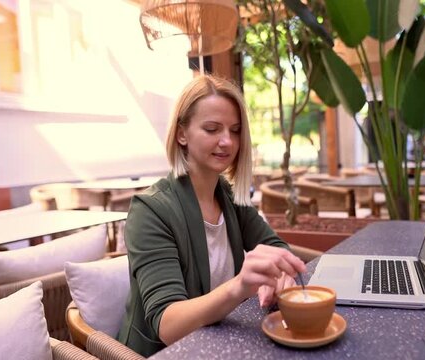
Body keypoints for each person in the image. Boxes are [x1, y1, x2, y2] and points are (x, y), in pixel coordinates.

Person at [117, 75, 306, 357]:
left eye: (235, 130)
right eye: (212, 129)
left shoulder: (227, 195)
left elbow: (275, 246)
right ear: (182, 133)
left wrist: (279, 277)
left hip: (220, 344)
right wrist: (240, 286)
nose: (227, 141)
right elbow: (167, 325)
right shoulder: (150, 210)